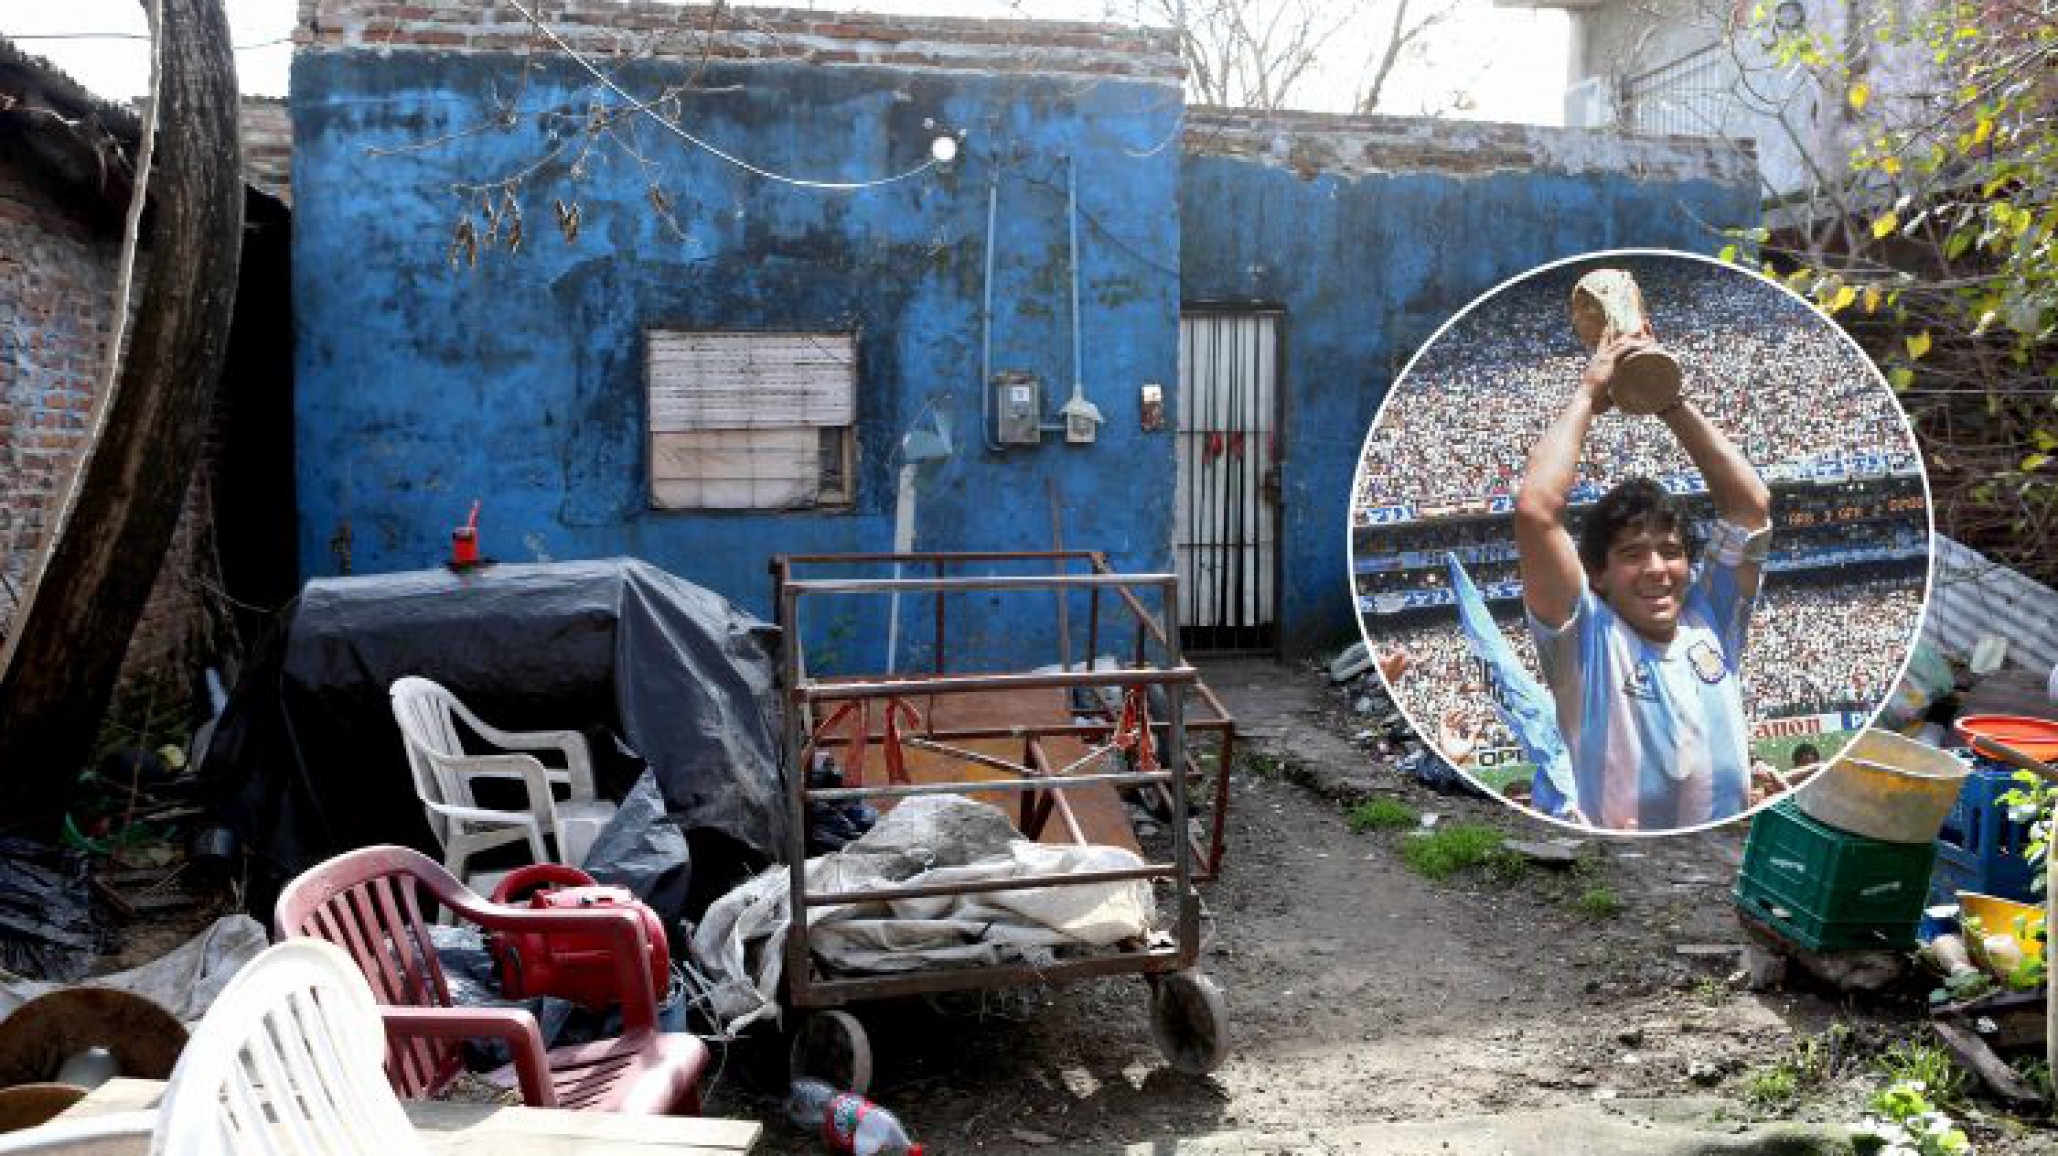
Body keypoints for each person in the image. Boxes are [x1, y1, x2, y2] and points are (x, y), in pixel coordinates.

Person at [1513, 329, 1773, 831]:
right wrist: (1589, 394)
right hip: (1637, 879)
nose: (1657, 569)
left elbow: (1750, 507)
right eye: (1632, 555)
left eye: (1671, 552)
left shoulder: (1712, 618)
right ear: (1598, 575)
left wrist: (1667, 397)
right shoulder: (1584, 641)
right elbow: (1536, 510)